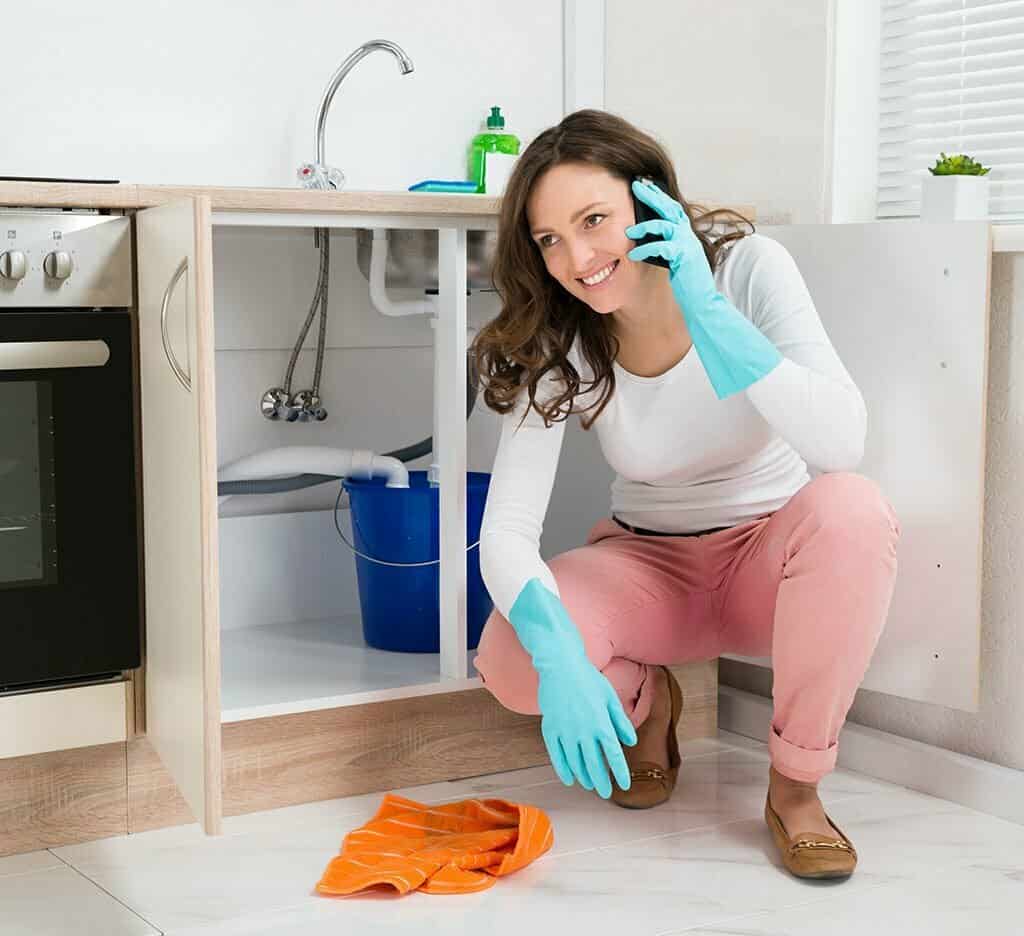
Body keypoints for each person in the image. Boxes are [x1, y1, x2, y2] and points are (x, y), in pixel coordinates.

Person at [468, 109, 900, 880]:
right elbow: (505, 528)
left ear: (651, 202)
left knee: (853, 509)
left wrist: (709, 313)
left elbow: (840, 443)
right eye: (551, 239)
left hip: (767, 561)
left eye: (595, 220)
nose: (578, 257)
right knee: (511, 657)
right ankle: (649, 702)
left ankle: (796, 789)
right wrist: (561, 654)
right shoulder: (561, 332)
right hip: (647, 569)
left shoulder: (748, 269)